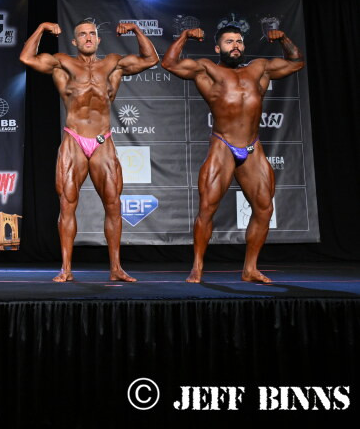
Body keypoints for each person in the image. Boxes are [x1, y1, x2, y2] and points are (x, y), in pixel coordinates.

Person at [161, 24, 304, 283]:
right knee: (207, 207)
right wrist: (184, 36)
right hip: (223, 144)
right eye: (229, 42)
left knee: (264, 209)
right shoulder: (207, 70)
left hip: (252, 146)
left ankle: (250, 269)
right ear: (218, 48)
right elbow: (169, 63)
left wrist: (283, 38)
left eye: (239, 41)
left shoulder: (259, 69)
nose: (235, 45)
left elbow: (296, 62)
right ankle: (197, 267)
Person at [19, 20, 159, 282]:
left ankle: (116, 268)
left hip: (102, 140)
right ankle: (66, 269)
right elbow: (27, 58)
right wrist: (41, 28)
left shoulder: (113, 64)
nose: (87, 38)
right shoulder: (63, 63)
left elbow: (151, 59)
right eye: (82, 34)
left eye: (92, 34)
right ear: (74, 41)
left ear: (98, 39)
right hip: (74, 138)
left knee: (113, 205)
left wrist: (136, 31)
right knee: (67, 204)